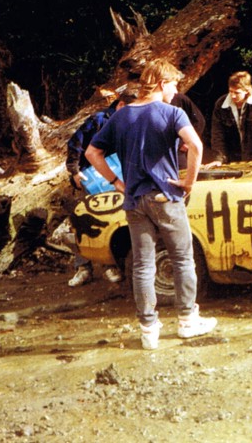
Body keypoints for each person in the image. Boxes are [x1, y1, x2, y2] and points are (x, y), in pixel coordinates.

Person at [85, 60, 217, 350]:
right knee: (182, 258)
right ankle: (186, 322)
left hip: (134, 200)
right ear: (159, 83)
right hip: (165, 196)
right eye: (173, 85)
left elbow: (92, 152)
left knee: (143, 265)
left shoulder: (121, 116)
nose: (175, 91)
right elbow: (196, 146)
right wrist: (190, 182)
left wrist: (116, 182)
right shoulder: (172, 113)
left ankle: (148, 330)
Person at [65, 87, 138, 287]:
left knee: (114, 218)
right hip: (91, 176)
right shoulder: (99, 120)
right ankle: (83, 267)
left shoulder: (130, 121)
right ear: (121, 105)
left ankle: (110, 264)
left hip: (118, 175)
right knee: (87, 220)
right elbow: (75, 143)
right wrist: (74, 170)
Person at [208, 71, 252, 166]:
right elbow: (217, 134)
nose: (233, 96)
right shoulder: (221, 104)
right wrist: (218, 158)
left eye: (237, 92)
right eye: (230, 91)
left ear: (247, 90)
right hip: (231, 157)